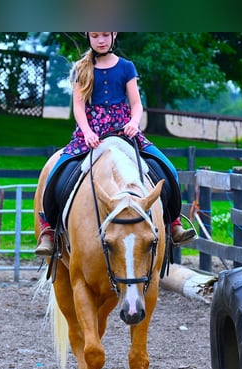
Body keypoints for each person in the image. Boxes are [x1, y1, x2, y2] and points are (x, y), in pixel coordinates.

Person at [35, 32, 196, 257]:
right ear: (89, 38)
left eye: (104, 35)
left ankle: (174, 223)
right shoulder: (81, 69)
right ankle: (49, 231)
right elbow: (79, 108)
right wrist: (88, 132)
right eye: (95, 35)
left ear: (114, 35)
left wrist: (133, 122)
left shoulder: (127, 67)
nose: (100, 40)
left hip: (125, 132)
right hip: (90, 135)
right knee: (56, 174)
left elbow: (136, 103)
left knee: (167, 168)